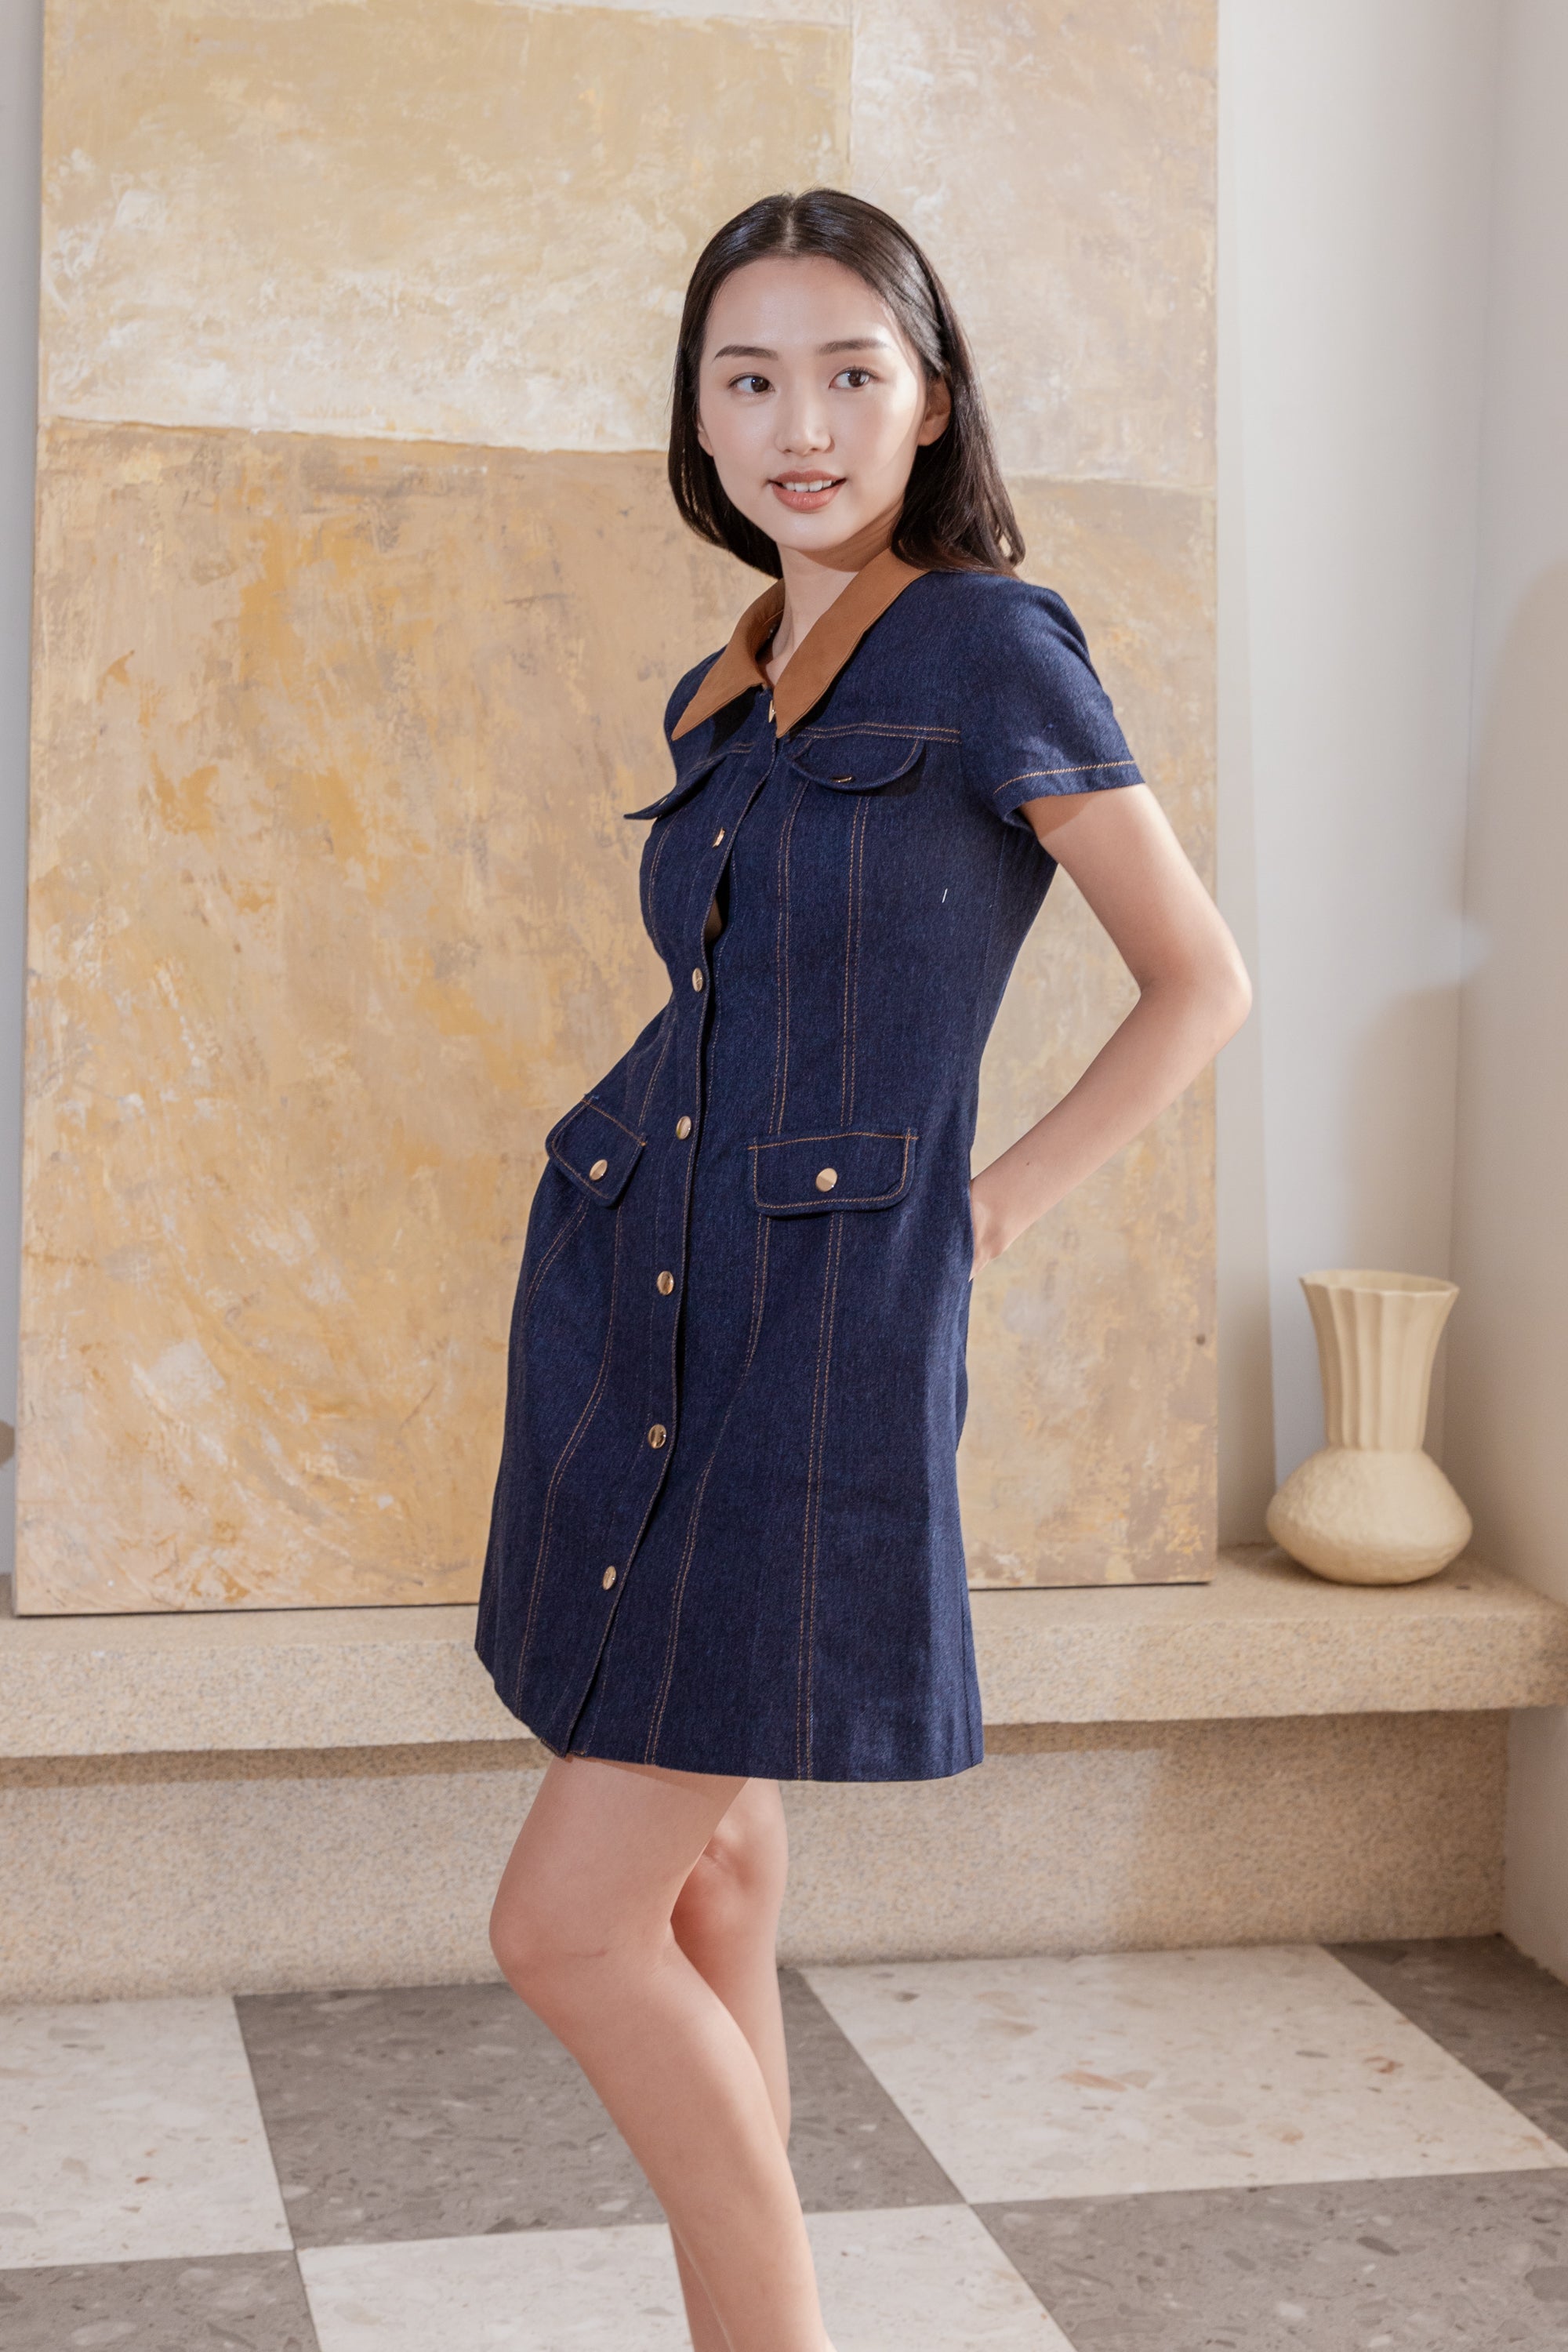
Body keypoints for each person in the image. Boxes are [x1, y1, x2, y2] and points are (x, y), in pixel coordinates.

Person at [475, 188, 1250, 2352]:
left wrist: (988, 1206)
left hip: (814, 1345)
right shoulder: (725, 688)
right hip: (641, 1295)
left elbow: (1199, 981)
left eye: (848, 374)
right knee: (712, 1868)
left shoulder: (993, 648)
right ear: (698, 416)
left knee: (564, 1926)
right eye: (749, 379)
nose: (798, 426)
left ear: (928, 402)